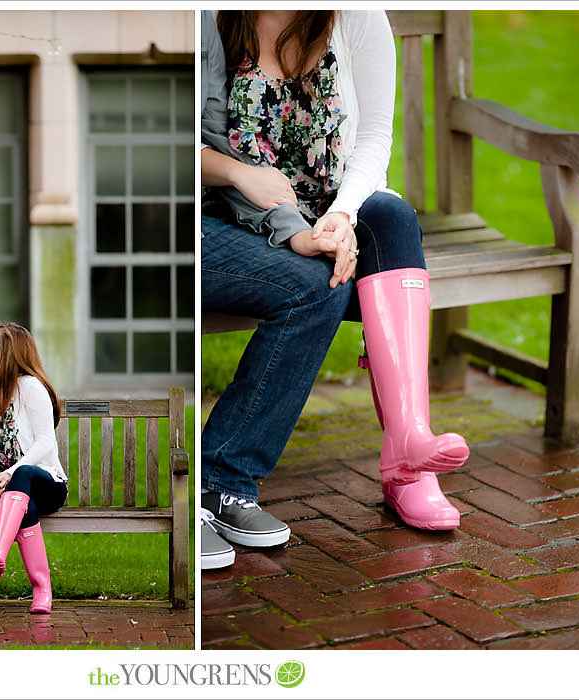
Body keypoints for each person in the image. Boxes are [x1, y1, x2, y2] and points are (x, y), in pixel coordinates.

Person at [200, 10, 469, 570]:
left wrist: (343, 215)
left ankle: (409, 452)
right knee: (319, 284)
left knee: (390, 216)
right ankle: (220, 483)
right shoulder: (214, 19)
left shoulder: (356, 15)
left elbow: (373, 135)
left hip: (328, 204)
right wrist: (264, 198)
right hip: (237, 212)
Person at [0, 322, 68, 614]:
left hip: (46, 483)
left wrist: (10, 472)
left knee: (22, 475)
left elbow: (46, 441)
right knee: (24, 508)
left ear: (7, 351)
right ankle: (42, 592)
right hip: (14, 493)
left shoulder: (31, 387)